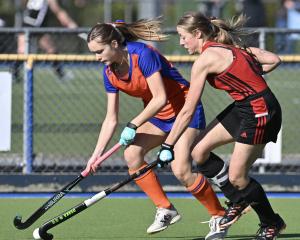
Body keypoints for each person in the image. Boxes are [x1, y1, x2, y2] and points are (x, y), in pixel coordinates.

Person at [85, 18, 230, 239]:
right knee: (132, 154)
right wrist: (96, 156)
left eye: (99, 51)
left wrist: (133, 124)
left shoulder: (142, 54)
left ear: (114, 44)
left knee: (180, 168)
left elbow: (160, 97)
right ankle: (166, 209)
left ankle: (219, 215)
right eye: (94, 53)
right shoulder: (109, 73)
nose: (97, 58)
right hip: (159, 117)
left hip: (184, 111)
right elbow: (110, 119)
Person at [156, 12, 286, 240]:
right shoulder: (231, 47)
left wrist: (168, 145)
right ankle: (238, 200)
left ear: (198, 34)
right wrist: (252, 77)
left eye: (183, 36)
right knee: (199, 151)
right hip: (245, 105)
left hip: (259, 110)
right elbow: (274, 59)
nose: (181, 42)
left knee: (237, 176)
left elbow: (187, 110)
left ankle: (271, 223)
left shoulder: (205, 60)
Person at [16, 0, 78, 80]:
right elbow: (58, 11)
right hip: (35, 25)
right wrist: (70, 23)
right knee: (23, 51)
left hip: (28, 24)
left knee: (50, 50)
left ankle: (14, 74)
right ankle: (60, 74)